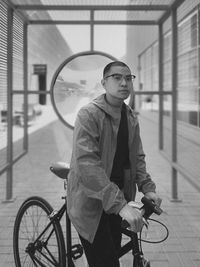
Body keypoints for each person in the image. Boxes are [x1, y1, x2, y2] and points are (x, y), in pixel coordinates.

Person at [67, 61, 161, 267]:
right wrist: (121, 206)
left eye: (128, 78)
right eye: (117, 77)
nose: (124, 82)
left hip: (117, 201)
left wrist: (147, 188)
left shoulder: (130, 116)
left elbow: (137, 157)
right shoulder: (88, 115)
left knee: (112, 254)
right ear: (104, 82)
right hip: (91, 202)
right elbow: (87, 165)